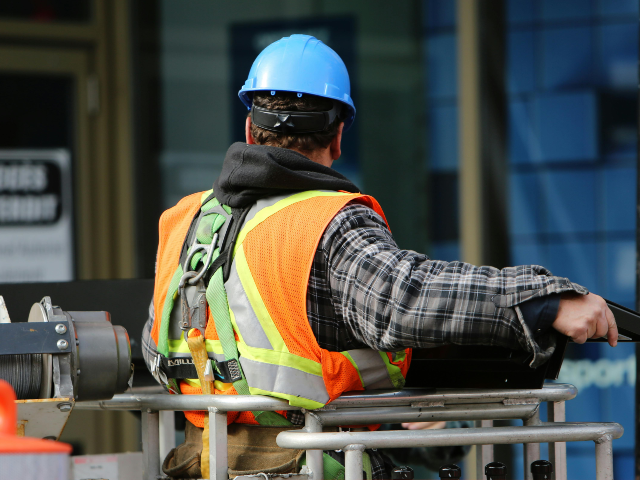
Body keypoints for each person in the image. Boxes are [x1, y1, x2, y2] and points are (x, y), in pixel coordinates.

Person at [142, 34, 618, 479]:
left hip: (205, 462)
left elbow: (156, 345)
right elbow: (404, 299)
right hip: (305, 463)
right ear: (338, 137)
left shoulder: (184, 221)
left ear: (249, 127)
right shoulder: (324, 222)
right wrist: (545, 301)